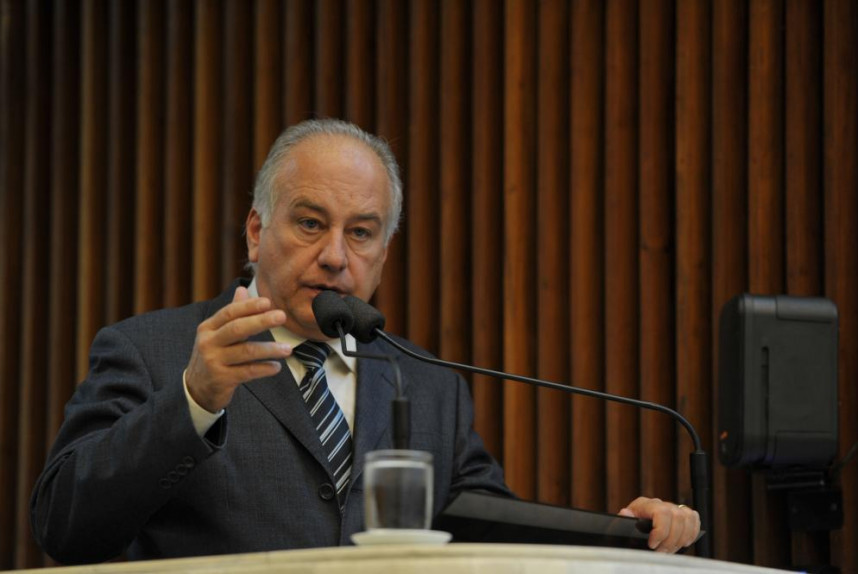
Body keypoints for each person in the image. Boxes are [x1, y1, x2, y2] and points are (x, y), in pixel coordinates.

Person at [31, 119, 700, 565]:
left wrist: (623, 534)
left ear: (383, 252)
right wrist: (193, 399)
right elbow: (64, 526)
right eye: (310, 223)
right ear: (256, 232)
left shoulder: (430, 385)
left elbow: (485, 529)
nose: (333, 257)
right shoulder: (152, 350)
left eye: (360, 232)